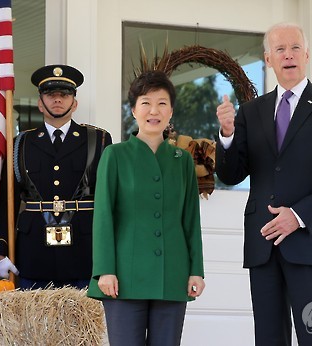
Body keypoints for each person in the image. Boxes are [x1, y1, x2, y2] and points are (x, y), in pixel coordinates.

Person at [215, 22, 312, 345]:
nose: (288, 55)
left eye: (294, 48)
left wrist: (298, 216)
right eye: (280, 49)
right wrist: (227, 135)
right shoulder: (251, 112)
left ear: (306, 55)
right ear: (268, 58)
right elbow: (232, 173)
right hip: (263, 248)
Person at [87, 70, 205, 346]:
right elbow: (104, 216)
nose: (154, 110)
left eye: (162, 103)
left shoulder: (182, 160)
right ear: (133, 110)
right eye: (146, 102)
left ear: (171, 111)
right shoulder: (114, 155)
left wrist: (195, 269)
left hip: (173, 276)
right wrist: (105, 269)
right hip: (123, 279)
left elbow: (190, 219)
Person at [0, 64, 112, 289]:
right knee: (32, 325)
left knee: (80, 324)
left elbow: (109, 200)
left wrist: (111, 256)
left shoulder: (99, 140)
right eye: (50, 94)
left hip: (84, 253)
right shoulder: (20, 144)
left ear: (74, 103)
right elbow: (7, 200)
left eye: (65, 94)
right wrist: (0, 249)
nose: (58, 99)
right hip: (34, 254)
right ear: (40, 103)